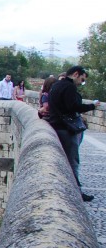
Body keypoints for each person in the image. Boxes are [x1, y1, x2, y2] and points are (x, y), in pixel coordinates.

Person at [46, 65, 99, 202]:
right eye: (82, 79)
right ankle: (76, 192)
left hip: (56, 125)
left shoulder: (57, 85)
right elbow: (72, 107)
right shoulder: (69, 87)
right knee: (72, 161)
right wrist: (92, 106)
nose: (82, 83)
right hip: (66, 129)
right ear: (76, 74)